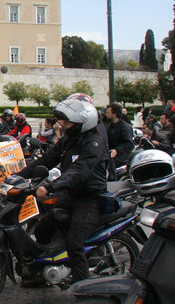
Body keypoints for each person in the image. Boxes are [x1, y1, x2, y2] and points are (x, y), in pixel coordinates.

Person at [17, 97, 108, 285]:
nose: (62, 124)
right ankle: (41, 276)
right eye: (62, 120)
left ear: (84, 122)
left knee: (74, 245)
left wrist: (50, 187)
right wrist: (18, 175)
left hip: (90, 199)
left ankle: (85, 298)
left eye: (67, 121)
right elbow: (47, 160)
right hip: (70, 196)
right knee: (41, 230)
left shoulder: (93, 142)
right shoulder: (69, 139)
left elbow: (79, 171)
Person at [104, 103, 134, 172]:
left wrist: (117, 150)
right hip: (111, 154)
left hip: (121, 156)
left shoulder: (124, 127)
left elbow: (129, 144)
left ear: (114, 114)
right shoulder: (110, 126)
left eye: (108, 113)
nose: (106, 114)